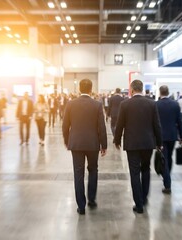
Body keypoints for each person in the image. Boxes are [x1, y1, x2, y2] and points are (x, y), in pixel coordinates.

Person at [114, 79, 162, 214]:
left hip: (132, 144)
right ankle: (144, 197)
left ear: (131, 89)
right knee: (146, 170)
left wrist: (117, 140)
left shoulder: (125, 104)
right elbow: (157, 125)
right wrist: (159, 143)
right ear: (141, 89)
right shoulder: (152, 104)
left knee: (134, 173)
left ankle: (138, 204)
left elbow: (120, 124)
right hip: (148, 143)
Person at [62, 79, 107, 215]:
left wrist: (67, 140)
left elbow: (65, 126)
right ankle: (91, 200)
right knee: (93, 170)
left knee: (78, 173)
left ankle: (81, 206)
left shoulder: (70, 104)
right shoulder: (97, 105)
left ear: (80, 89)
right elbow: (101, 127)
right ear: (91, 89)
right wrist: (103, 145)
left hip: (76, 144)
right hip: (93, 144)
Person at [157, 86, 182, 194]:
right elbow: (179, 121)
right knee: (169, 157)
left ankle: (167, 184)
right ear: (168, 92)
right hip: (173, 136)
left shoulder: (157, 105)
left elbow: (155, 122)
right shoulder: (175, 104)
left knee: (164, 158)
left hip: (161, 136)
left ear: (160, 92)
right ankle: (167, 175)